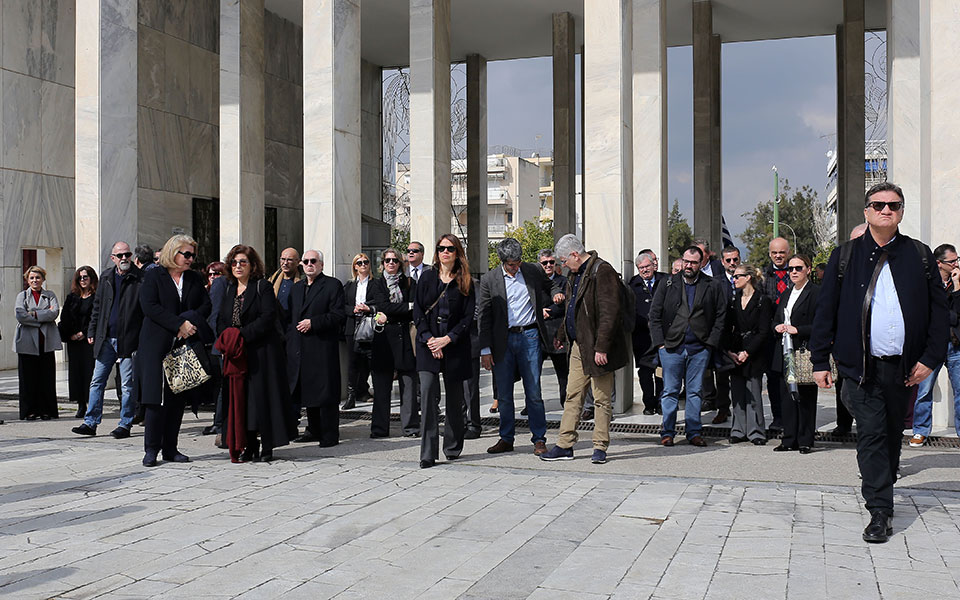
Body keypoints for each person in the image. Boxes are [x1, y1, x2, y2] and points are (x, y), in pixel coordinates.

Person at [810, 182, 947, 544]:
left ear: (901, 211)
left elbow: (939, 314)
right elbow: (826, 313)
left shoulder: (919, 255)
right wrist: (820, 360)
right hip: (860, 368)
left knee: (890, 434)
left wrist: (931, 359)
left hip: (905, 368)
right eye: (879, 205)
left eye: (894, 205)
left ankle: (882, 482)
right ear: (867, 211)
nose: (886, 210)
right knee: (870, 433)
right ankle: (880, 510)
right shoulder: (845, 256)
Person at [540, 234, 627, 464]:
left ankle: (600, 447)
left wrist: (602, 347)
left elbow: (610, 313)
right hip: (579, 345)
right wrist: (561, 334)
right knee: (573, 396)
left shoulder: (602, 271)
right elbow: (572, 310)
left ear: (575, 255)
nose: (562, 265)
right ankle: (564, 445)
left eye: (563, 261)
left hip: (598, 347)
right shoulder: (574, 274)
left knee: (601, 399)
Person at [138, 234, 212, 467]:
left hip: (183, 346)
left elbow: (205, 305)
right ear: (173, 253)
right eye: (186, 254)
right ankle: (151, 449)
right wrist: (177, 324)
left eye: (193, 255)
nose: (190, 259)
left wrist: (188, 321)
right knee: (155, 399)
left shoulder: (193, 279)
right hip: (155, 344)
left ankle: (171, 448)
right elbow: (149, 306)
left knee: (177, 397)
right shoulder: (154, 276)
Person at [216, 245, 294, 462]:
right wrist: (228, 339)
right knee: (241, 401)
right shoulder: (229, 289)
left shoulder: (262, 287)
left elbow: (268, 318)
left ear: (252, 265)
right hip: (237, 355)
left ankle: (267, 444)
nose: (238, 266)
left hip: (262, 353)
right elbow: (221, 319)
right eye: (234, 262)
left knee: (261, 399)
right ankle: (248, 443)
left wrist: (241, 335)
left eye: (243, 262)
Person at [478, 238, 553, 456]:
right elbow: (483, 316)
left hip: (529, 335)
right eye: (511, 263)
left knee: (534, 392)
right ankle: (506, 438)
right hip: (503, 340)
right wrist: (485, 350)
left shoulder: (531, 270)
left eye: (518, 261)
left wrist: (557, 296)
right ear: (502, 261)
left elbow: (553, 283)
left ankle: (539, 439)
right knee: (504, 394)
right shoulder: (490, 279)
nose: (515, 266)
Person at [648, 245, 726, 447]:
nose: (689, 265)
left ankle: (694, 432)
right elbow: (654, 315)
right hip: (671, 348)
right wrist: (660, 344)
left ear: (701, 263)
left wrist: (710, 344)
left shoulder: (712, 285)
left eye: (693, 262)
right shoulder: (667, 283)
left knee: (694, 392)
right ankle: (667, 432)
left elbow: (720, 316)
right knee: (670, 391)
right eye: (686, 261)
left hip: (699, 349)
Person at [413, 234, 475, 469]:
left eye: (450, 248)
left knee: (455, 399)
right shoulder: (427, 277)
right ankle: (427, 453)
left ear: (457, 252)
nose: (445, 252)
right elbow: (418, 312)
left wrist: (447, 340)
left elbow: (468, 318)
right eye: (441, 248)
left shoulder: (465, 280)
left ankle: (452, 445)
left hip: (455, 346)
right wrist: (431, 340)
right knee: (428, 396)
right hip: (428, 345)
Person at [72, 242, 144, 439]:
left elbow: (146, 310)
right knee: (97, 381)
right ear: (113, 258)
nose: (124, 258)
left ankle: (125, 424)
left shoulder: (140, 278)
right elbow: (98, 307)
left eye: (127, 254)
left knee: (127, 385)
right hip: (106, 339)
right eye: (119, 255)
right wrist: (92, 331)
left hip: (128, 340)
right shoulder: (106, 277)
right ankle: (90, 422)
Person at [287, 250, 346, 447]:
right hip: (301, 348)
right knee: (308, 391)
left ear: (321, 264)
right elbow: (290, 318)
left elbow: (338, 315)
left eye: (314, 261)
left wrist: (314, 322)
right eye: (306, 261)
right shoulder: (297, 288)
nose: (309, 264)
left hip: (322, 347)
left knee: (326, 392)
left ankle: (329, 434)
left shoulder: (332, 285)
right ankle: (313, 429)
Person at [909, 243, 960, 447]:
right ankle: (920, 430)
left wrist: (957, 287)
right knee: (924, 390)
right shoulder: (926, 282)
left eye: (957, 259)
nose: (956, 264)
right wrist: (951, 316)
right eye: (952, 261)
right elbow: (928, 312)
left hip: (955, 344)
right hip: (931, 345)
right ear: (939, 263)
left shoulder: (958, 283)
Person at [772, 254, 820, 453]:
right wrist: (777, 327)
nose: (793, 272)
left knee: (806, 395)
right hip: (785, 351)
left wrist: (797, 329)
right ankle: (789, 438)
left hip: (804, 350)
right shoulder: (787, 293)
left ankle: (805, 439)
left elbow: (821, 324)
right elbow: (775, 318)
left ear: (808, 269)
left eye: (798, 268)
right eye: (790, 269)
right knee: (787, 396)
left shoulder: (816, 292)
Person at [370, 249, 418, 438]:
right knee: (381, 388)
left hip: (405, 338)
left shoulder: (410, 283)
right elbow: (383, 306)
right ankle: (379, 428)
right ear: (382, 263)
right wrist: (407, 306)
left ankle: (411, 427)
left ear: (400, 263)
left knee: (409, 387)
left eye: (394, 260)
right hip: (383, 341)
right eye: (387, 260)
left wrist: (398, 310)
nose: (391, 263)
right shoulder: (377, 284)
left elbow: (417, 307)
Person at [724, 263, 772, 444]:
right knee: (737, 393)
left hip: (754, 352)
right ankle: (738, 430)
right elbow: (728, 327)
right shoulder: (733, 300)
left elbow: (763, 331)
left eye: (737, 276)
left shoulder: (762, 300)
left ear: (748, 277)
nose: (734, 280)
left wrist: (748, 352)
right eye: (733, 276)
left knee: (753, 392)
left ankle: (756, 432)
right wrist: (730, 351)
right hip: (735, 350)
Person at [14, 266, 62, 420]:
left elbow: (54, 313)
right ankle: (30, 410)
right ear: (27, 280)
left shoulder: (50, 295)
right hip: (27, 343)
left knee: (46, 378)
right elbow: (20, 314)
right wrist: (42, 318)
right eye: (32, 278)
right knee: (28, 379)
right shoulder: (22, 296)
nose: (35, 280)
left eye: (38, 277)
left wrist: (33, 314)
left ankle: (46, 410)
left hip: (45, 342)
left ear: (43, 279)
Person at [59, 266, 99, 418]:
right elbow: (65, 318)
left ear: (91, 279)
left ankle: (91, 403)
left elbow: (96, 317)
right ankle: (80, 404)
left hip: (89, 340)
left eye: (85, 277)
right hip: (74, 341)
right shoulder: (72, 297)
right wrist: (71, 334)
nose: (82, 280)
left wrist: (85, 332)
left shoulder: (97, 297)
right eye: (80, 278)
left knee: (90, 372)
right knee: (76, 373)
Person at [629, 251, 665, 415]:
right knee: (645, 372)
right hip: (641, 337)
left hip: (661, 336)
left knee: (661, 371)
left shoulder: (665, 280)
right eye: (641, 267)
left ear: (653, 265)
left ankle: (660, 402)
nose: (644, 270)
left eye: (647, 266)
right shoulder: (633, 284)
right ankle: (648, 403)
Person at [342, 253, 377, 409]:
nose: (363, 265)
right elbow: (341, 305)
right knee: (353, 361)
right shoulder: (349, 286)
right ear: (355, 266)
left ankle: (364, 389)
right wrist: (353, 310)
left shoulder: (375, 284)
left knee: (369, 361)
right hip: (352, 325)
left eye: (366, 262)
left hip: (369, 325)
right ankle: (351, 395)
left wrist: (368, 308)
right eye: (360, 263)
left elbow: (380, 301)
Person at [538, 248, 569, 407]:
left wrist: (547, 312)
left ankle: (566, 403)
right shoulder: (534, 282)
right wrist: (538, 311)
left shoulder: (564, 282)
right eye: (545, 262)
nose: (548, 265)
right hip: (538, 335)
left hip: (558, 334)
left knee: (563, 374)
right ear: (539, 264)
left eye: (551, 262)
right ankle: (533, 405)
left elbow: (565, 305)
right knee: (533, 374)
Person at [268, 247, 302, 323]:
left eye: (289, 260)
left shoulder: (303, 281)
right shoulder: (273, 279)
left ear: (298, 262)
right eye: (283, 259)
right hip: (276, 323)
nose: (285, 263)